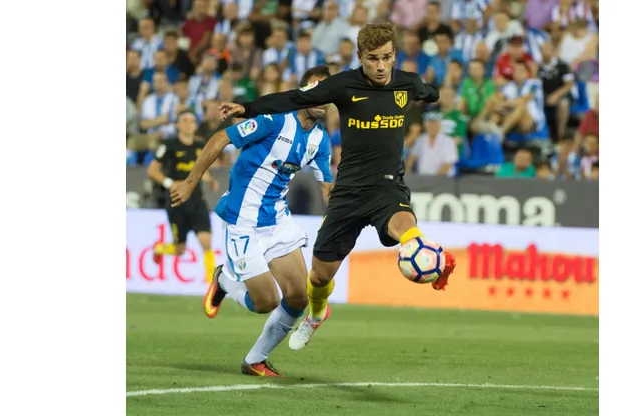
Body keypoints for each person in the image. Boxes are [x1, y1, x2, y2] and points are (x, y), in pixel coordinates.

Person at [208, 23, 457, 351]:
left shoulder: (408, 84)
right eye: (373, 59)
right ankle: (316, 315)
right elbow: (295, 98)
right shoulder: (343, 85)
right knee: (319, 277)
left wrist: (437, 93)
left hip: (386, 188)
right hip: (347, 193)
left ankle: (425, 251)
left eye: (387, 58)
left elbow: (431, 92)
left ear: (394, 54)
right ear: (360, 57)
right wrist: (248, 108)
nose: (381, 66)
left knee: (406, 226)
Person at [169, 66, 335, 377]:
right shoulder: (275, 120)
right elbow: (222, 137)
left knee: (298, 297)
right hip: (243, 220)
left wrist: (342, 212)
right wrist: (191, 182)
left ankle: (255, 360)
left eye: (329, 94)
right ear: (302, 93)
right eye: (317, 91)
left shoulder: (320, 140)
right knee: (265, 302)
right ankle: (224, 280)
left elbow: (327, 187)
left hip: (277, 220)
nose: (323, 99)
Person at [147, 112, 220, 282]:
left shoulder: (200, 145)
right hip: (176, 201)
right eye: (185, 120)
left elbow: (201, 169)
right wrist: (170, 183)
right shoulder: (169, 146)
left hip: (197, 201)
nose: (189, 124)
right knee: (180, 249)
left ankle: (211, 285)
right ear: (178, 125)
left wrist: (210, 180)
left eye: (192, 121)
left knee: (206, 242)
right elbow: (152, 170)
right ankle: (159, 249)